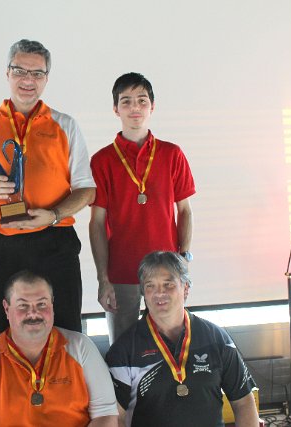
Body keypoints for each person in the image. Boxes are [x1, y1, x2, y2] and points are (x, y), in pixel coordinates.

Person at [0, 39, 95, 339]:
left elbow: (86, 190)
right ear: (7, 73)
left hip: (55, 240)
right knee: (0, 335)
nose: (28, 80)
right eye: (20, 71)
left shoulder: (65, 125)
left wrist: (54, 215)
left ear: (46, 78)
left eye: (37, 73)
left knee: (66, 332)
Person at [89, 72, 196, 344]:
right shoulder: (102, 160)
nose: (134, 107)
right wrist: (103, 278)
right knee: (122, 346)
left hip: (165, 271)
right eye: (126, 101)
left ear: (152, 106)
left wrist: (183, 261)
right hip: (121, 272)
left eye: (142, 100)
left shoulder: (172, 154)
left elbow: (184, 210)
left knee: (170, 342)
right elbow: (97, 222)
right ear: (116, 109)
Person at [105, 252, 259, 427]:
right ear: (144, 293)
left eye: (168, 284)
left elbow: (244, 402)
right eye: (150, 286)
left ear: (185, 288)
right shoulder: (123, 350)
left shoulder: (217, 339)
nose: (159, 293)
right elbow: (116, 417)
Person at [0, 270, 118, 427]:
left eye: (41, 304)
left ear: (52, 304)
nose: (33, 313)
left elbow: (106, 416)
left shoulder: (81, 347)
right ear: (6, 308)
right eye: (23, 305)